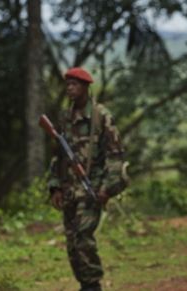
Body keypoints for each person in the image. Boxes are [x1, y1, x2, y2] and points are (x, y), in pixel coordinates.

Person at [47, 67, 128, 291]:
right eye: (68, 85)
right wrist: (54, 187)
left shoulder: (101, 117)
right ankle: (86, 284)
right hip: (69, 190)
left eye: (74, 85)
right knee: (72, 244)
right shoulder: (65, 117)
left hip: (92, 188)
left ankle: (92, 286)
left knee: (83, 238)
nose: (70, 89)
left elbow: (115, 155)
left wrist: (107, 189)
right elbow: (58, 156)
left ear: (85, 87)